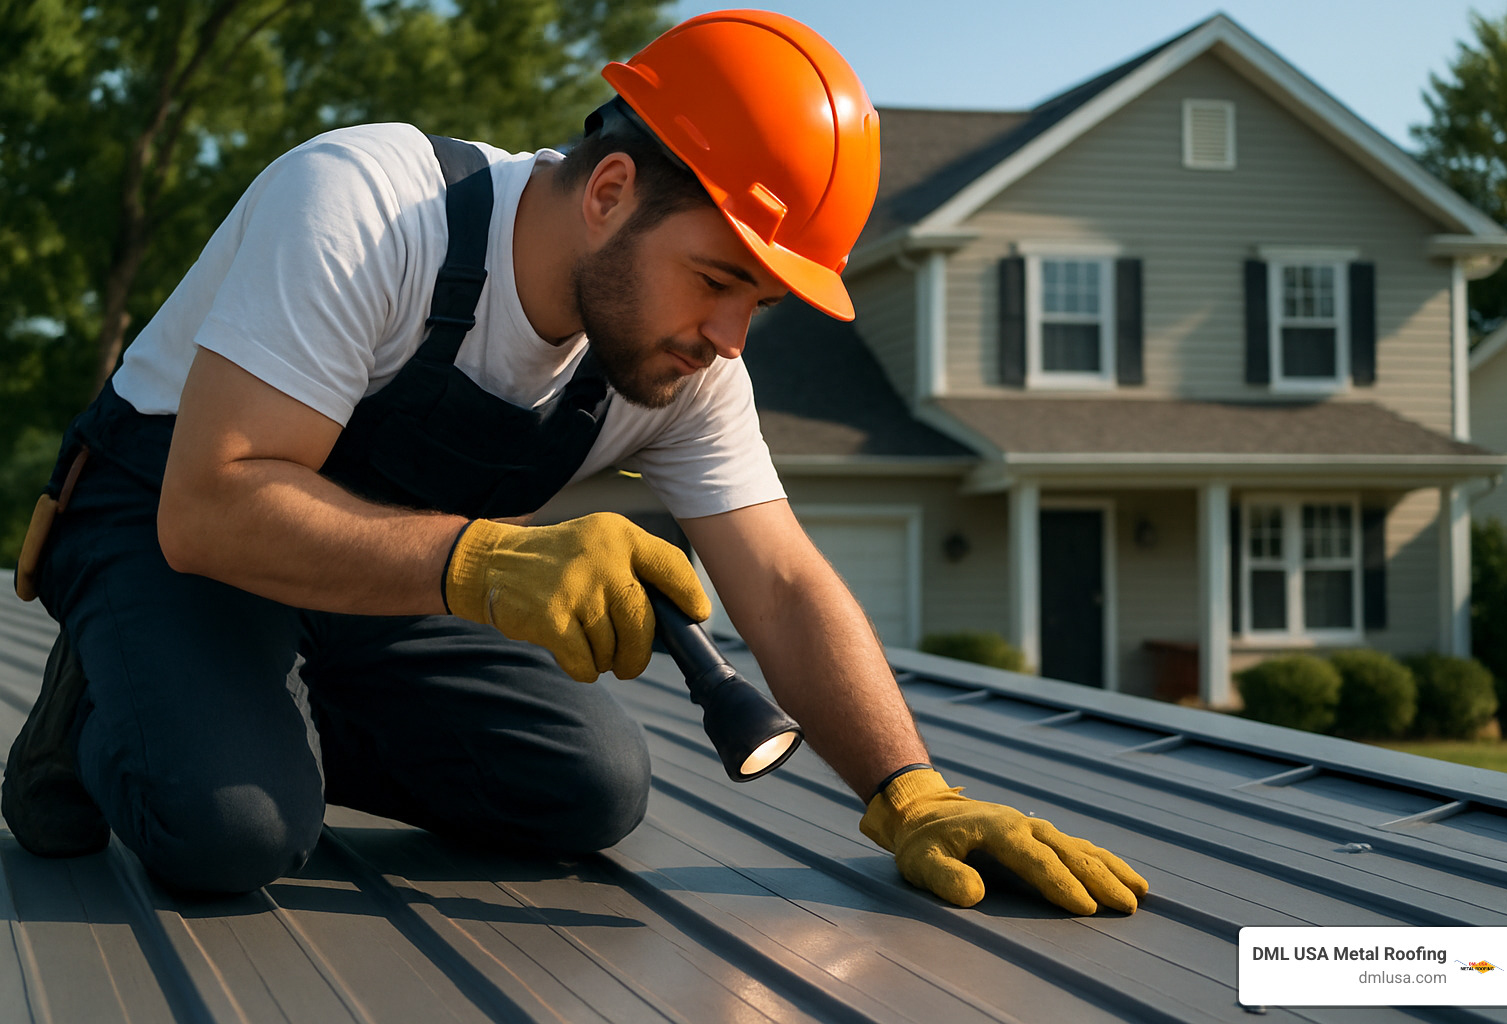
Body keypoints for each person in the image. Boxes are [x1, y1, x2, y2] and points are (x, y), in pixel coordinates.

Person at [5, 9, 1147, 914]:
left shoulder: (681, 369)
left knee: (589, 786)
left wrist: (912, 791)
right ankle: (111, 692)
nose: (729, 337)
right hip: (176, 529)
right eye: (716, 280)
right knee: (234, 829)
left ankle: (243, 707)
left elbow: (785, 582)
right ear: (610, 194)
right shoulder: (370, 208)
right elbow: (212, 505)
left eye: (758, 303)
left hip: (376, 572)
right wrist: (493, 564)